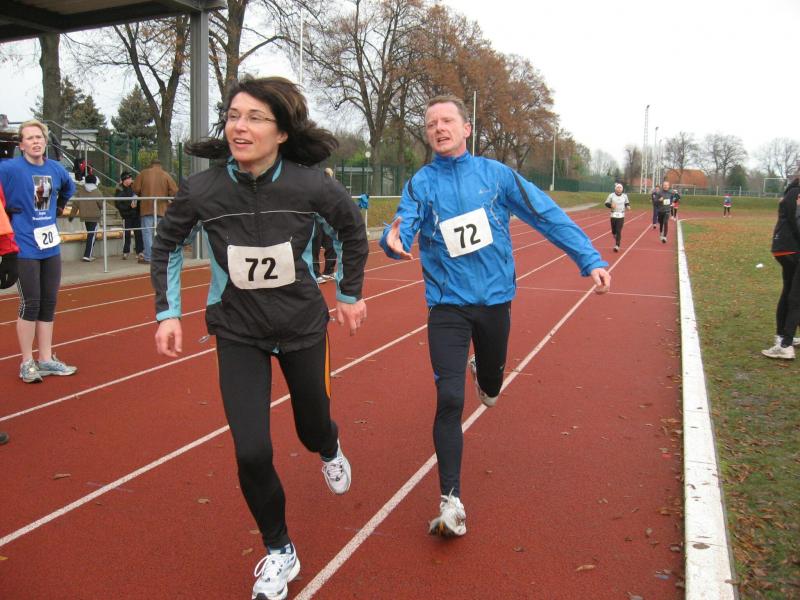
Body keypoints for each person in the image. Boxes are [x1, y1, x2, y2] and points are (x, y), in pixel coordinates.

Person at [151, 76, 369, 600]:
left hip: (301, 325)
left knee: (311, 428)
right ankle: (279, 550)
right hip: (237, 329)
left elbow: (352, 232)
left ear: (282, 132)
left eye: (254, 118)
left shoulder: (311, 185)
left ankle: (329, 446)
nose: (239, 127)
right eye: (232, 116)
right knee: (250, 450)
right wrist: (168, 312)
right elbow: (167, 244)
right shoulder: (203, 190)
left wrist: (348, 293)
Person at [380, 95, 611, 538]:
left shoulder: (496, 176)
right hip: (446, 305)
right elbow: (402, 227)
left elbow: (546, 215)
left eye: (447, 121)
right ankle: (451, 499)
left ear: (466, 128)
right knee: (449, 399)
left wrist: (589, 259)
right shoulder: (421, 183)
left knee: (491, 388)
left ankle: (485, 375)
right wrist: (393, 243)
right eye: (431, 124)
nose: (439, 128)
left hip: (494, 301)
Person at [0, 119, 77, 383]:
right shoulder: (9, 168)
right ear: (21, 145)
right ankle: (26, 362)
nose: (36, 141)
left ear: (45, 142)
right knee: (30, 303)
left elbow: (69, 188)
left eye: (39, 137)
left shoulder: (56, 169)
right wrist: (5, 211)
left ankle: (45, 358)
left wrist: (59, 206)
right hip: (23, 245)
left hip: (49, 244)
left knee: (49, 302)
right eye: (30, 138)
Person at [761, 171, 800, 360]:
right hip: (789, 248)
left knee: (791, 293)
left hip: (786, 247)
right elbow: (794, 219)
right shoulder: (795, 192)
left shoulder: (792, 191)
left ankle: (784, 338)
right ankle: (784, 341)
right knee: (794, 295)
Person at [133, 158, 177, 264]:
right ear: (160, 165)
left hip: (146, 208)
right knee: (161, 233)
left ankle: (149, 257)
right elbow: (174, 191)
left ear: (151, 164)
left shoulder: (143, 173)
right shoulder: (166, 175)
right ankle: (161, 256)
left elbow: (136, 189)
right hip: (161, 208)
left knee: (147, 233)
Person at [312, 167, 338, 283]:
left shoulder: (334, 188)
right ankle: (315, 273)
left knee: (331, 246)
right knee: (315, 247)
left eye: (330, 175)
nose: (329, 177)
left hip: (328, 221)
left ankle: (328, 271)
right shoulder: (316, 188)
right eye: (327, 175)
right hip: (316, 220)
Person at [70, 172, 104, 262]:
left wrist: (72, 215)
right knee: (92, 236)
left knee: (90, 234)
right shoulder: (97, 192)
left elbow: (75, 204)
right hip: (94, 216)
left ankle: (89, 254)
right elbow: (101, 204)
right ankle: (87, 255)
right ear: (95, 182)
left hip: (85, 216)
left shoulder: (81, 191)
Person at [115, 171, 143, 260]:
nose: (130, 180)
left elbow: (140, 198)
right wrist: (129, 206)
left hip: (136, 214)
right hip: (126, 215)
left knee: (138, 233)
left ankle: (139, 251)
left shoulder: (134, 188)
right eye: (128, 179)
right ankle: (126, 252)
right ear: (124, 180)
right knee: (127, 234)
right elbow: (118, 204)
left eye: (130, 178)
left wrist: (137, 205)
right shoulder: (119, 190)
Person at [604, 182, 631, 252]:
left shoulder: (625, 196)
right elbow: (606, 203)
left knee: (618, 230)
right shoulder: (611, 195)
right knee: (614, 231)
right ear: (615, 189)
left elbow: (627, 203)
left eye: (620, 188)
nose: (619, 189)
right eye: (618, 188)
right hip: (613, 214)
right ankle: (614, 234)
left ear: (622, 189)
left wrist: (628, 206)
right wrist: (610, 206)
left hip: (621, 215)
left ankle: (617, 245)